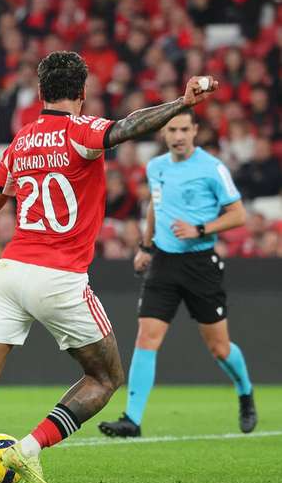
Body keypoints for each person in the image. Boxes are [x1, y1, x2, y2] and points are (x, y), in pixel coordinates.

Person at [0, 51, 219, 483]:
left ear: (40, 93)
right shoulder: (82, 130)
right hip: (58, 276)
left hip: (9, 270)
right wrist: (181, 103)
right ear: (82, 93)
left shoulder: (19, 143)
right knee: (105, 378)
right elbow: (130, 125)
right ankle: (29, 448)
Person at [98, 112, 255, 438]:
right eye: (172, 129)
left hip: (200, 264)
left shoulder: (212, 167)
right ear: (164, 133)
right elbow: (156, 206)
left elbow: (239, 215)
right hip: (165, 263)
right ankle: (132, 419)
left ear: (195, 131)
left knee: (220, 348)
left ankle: (244, 390)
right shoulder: (156, 167)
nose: (179, 135)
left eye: (184, 129)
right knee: (146, 337)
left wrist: (201, 228)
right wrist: (145, 246)